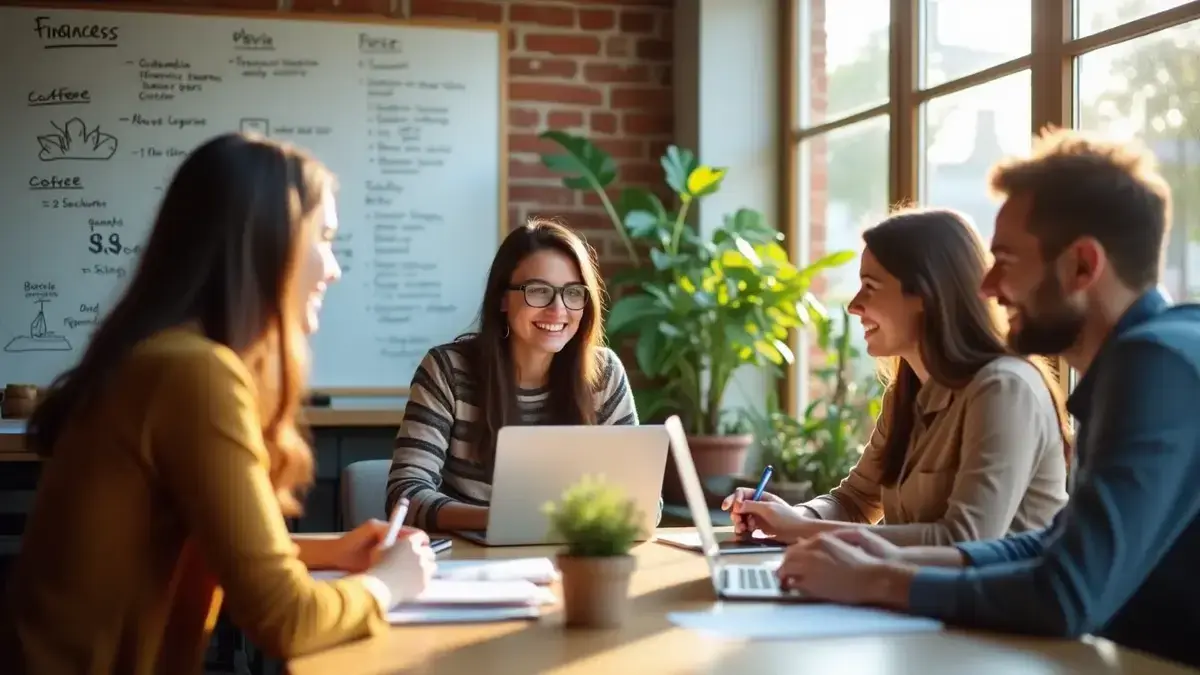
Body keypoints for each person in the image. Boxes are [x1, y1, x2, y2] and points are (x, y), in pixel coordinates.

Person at [0, 134, 436, 674]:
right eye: (323, 238)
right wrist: (388, 584)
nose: (333, 268)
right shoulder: (193, 373)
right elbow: (286, 618)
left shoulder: (160, 357)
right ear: (266, 242)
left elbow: (196, 545)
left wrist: (333, 551)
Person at [776, 129, 1200, 668]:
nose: (987, 286)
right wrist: (891, 555)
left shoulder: (1155, 366)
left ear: (1082, 266)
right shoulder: (1144, 360)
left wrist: (880, 580)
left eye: (1005, 259)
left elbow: (1065, 593)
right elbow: (1053, 543)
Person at [722, 208, 1071, 547]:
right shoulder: (906, 393)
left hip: (989, 605)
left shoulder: (1004, 390)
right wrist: (790, 516)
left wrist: (800, 530)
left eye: (870, 287)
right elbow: (855, 501)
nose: (853, 305)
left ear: (925, 293)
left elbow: (964, 540)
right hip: (914, 599)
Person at [386, 218, 644, 531]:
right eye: (538, 291)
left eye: (573, 293)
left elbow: (642, 500)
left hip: (571, 556)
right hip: (469, 561)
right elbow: (404, 496)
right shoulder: (448, 371)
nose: (558, 309)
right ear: (502, 299)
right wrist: (500, 521)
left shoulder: (603, 374)